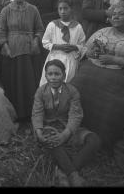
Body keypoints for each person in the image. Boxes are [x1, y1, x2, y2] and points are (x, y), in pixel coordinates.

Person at [71, 4, 124, 150]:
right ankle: (74, 128)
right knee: (76, 85)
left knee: (110, 96)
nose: (115, 16)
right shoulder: (102, 32)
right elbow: (86, 50)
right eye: (113, 14)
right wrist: (92, 52)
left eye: (120, 14)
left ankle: (103, 139)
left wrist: (116, 60)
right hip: (95, 70)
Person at [32, 59, 101, 187]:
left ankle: (64, 172)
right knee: (52, 140)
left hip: (68, 126)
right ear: (45, 75)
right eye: (50, 74)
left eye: (57, 74)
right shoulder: (41, 92)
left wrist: (66, 134)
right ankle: (73, 175)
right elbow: (37, 113)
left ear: (64, 75)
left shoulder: (72, 91)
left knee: (94, 140)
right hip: (49, 127)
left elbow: (76, 115)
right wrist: (38, 131)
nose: (53, 78)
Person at [0, 0, 44, 121]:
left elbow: (40, 29)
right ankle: (14, 114)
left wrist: (36, 41)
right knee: (13, 82)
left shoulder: (33, 9)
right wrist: (5, 46)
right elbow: (1, 31)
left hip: (29, 50)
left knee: (28, 82)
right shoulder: (6, 10)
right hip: (11, 50)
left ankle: (30, 114)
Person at [39, 0, 86, 86]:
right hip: (54, 58)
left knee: (68, 83)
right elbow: (45, 42)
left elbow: (82, 45)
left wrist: (74, 47)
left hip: (70, 60)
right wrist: (57, 46)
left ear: (71, 9)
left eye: (65, 8)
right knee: (51, 83)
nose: (63, 11)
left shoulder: (77, 27)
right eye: (60, 9)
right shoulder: (52, 25)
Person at [26, 0, 60, 68]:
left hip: (46, 32)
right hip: (30, 32)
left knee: (46, 61)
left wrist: (39, 18)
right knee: (31, 62)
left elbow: (58, 13)